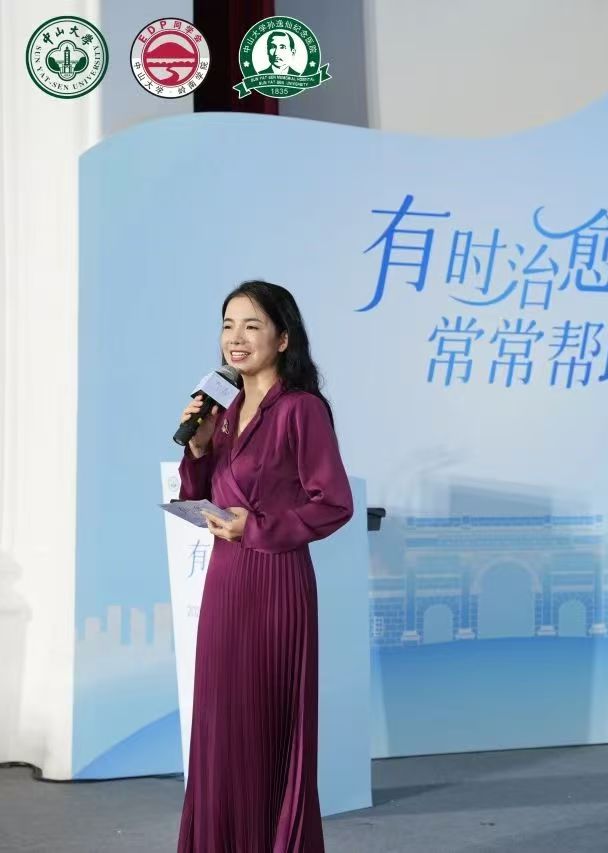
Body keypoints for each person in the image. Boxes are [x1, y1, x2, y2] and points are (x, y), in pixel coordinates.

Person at [175, 281, 353, 852]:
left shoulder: (301, 409)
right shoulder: (224, 412)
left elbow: (334, 503)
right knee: (221, 726)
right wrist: (199, 448)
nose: (236, 337)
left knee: (263, 726)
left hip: (275, 585)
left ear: (282, 338)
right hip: (226, 581)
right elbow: (203, 497)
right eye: (228, 324)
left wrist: (255, 527)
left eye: (252, 325)